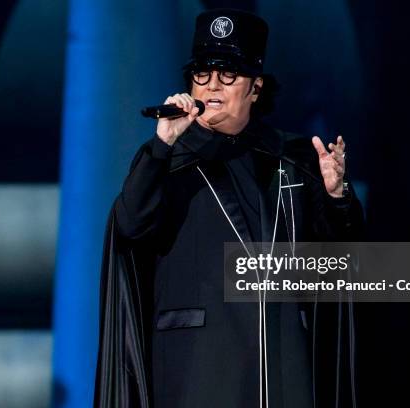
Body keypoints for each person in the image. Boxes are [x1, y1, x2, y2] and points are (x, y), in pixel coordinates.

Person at [95, 9, 365, 408]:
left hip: (283, 359)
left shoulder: (291, 156)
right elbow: (131, 226)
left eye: (228, 75)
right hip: (200, 364)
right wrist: (162, 146)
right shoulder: (167, 158)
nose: (211, 86)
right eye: (202, 74)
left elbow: (338, 257)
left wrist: (336, 194)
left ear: (255, 87)